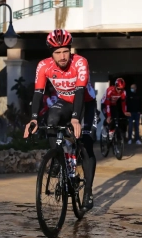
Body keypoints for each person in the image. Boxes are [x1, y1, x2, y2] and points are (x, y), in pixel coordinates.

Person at [23, 29, 97, 211]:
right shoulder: (44, 66)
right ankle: (58, 158)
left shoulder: (80, 62)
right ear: (51, 53)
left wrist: (75, 119)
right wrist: (33, 119)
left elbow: (80, 91)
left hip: (85, 104)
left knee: (86, 143)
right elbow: (38, 93)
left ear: (70, 49)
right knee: (51, 119)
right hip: (64, 102)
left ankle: (87, 191)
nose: (62, 56)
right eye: (57, 52)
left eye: (65, 51)